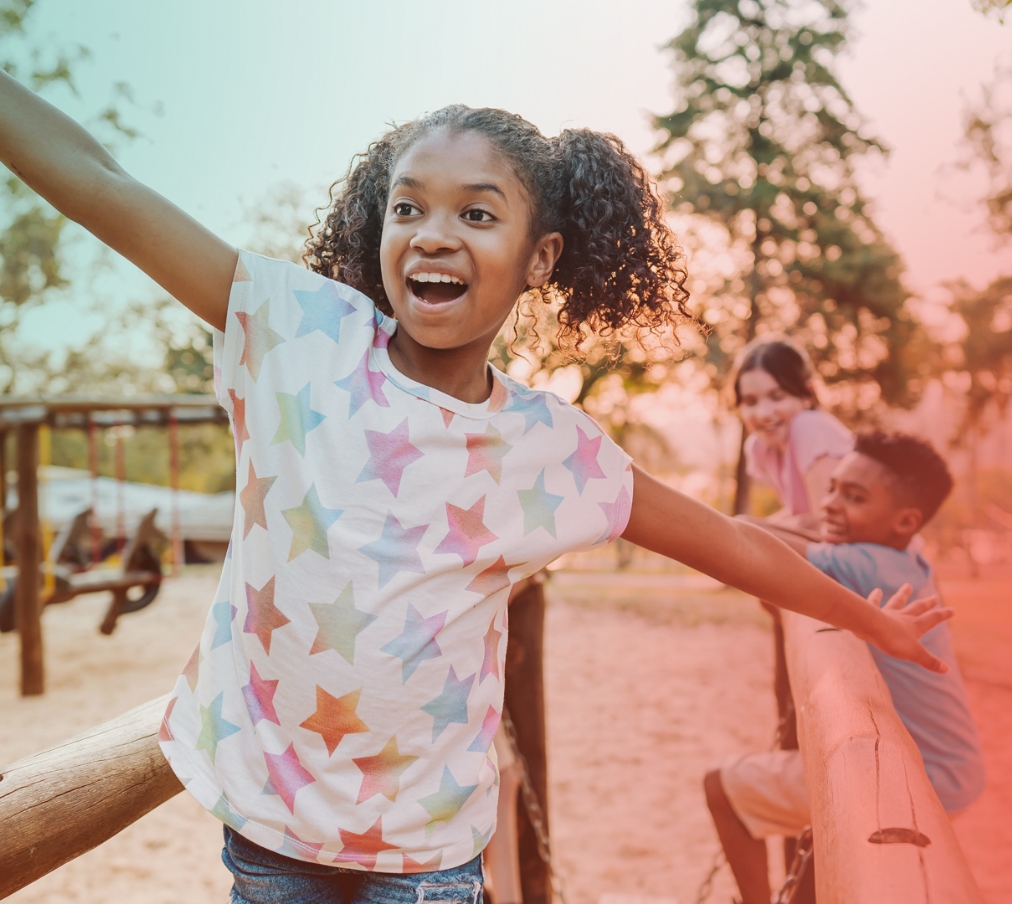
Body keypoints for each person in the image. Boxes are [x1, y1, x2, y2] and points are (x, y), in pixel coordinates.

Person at [1, 71, 953, 904]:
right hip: (271, 835)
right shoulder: (298, 333)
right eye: (407, 208)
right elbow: (101, 184)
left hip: (427, 861)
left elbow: (733, 545)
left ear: (540, 258)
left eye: (478, 213)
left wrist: (872, 621)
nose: (432, 236)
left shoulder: (550, 449)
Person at [705, 431, 986, 904]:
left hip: (929, 771)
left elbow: (754, 540)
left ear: (905, 520)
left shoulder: (866, 564)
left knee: (722, 787)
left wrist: (777, 523)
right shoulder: (907, 554)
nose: (831, 505)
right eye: (831, 488)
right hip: (958, 763)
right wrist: (814, 521)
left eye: (854, 497)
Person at [733, 336, 853, 528]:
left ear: (807, 394)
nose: (763, 414)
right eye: (750, 402)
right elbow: (799, 515)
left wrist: (753, 529)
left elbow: (828, 526)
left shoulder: (809, 426)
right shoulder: (761, 448)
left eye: (777, 397)